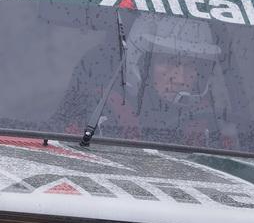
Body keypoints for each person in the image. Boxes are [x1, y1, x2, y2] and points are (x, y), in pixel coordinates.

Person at [97, 13, 244, 148]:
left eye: (190, 65)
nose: (180, 78)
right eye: (168, 62)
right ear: (139, 64)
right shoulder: (101, 113)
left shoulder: (215, 124)